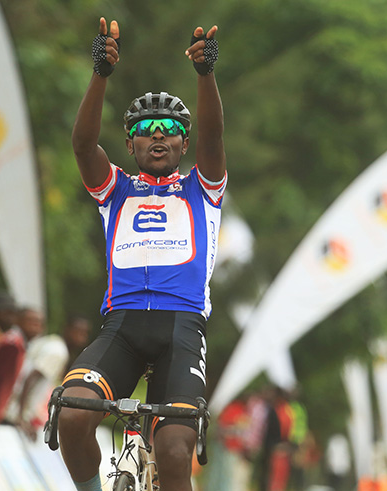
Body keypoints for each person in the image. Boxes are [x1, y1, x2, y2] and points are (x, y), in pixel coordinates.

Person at [56, 17, 225, 491]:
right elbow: (82, 144)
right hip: (122, 327)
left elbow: (214, 139)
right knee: (72, 413)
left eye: (170, 128)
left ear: (182, 143)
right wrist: (100, 74)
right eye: (145, 129)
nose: (158, 134)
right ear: (129, 143)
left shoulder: (202, 188)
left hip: (181, 328)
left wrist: (205, 75)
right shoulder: (115, 190)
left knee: (174, 453)